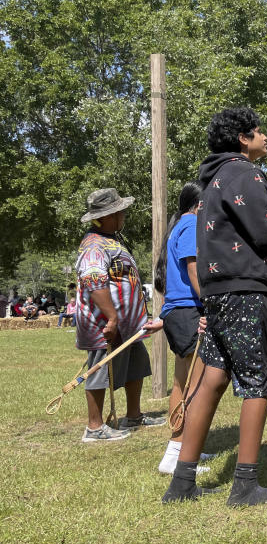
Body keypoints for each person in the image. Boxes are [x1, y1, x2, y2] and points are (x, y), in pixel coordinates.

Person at [163, 107, 267, 506]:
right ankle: (245, 485)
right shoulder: (246, 173)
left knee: (213, 379)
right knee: (258, 379)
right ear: (243, 138)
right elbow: (263, 232)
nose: (265, 137)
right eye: (259, 131)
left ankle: (182, 482)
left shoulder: (212, 181)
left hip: (216, 294)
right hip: (245, 292)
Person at [74, 188, 165, 442]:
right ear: (107, 216)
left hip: (130, 325)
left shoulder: (111, 240)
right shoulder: (93, 245)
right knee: (100, 370)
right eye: (119, 212)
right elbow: (95, 282)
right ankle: (94, 427)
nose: (123, 215)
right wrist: (112, 318)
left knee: (136, 364)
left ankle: (133, 415)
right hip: (105, 324)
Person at [155, 181, 215, 475]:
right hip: (189, 312)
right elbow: (193, 268)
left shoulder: (179, 224)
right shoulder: (191, 224)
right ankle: (177, 453)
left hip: (177, 313)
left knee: (182, 382)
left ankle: (180, 448)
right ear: (200, 205)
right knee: (196, 384)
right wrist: (211, 302)